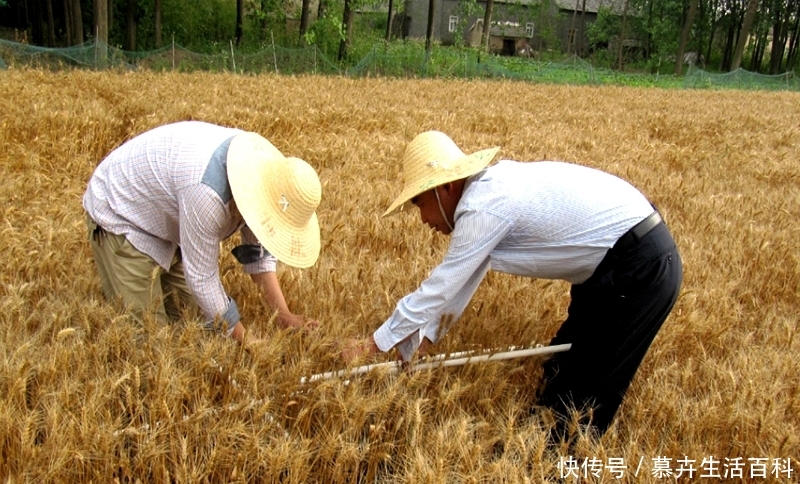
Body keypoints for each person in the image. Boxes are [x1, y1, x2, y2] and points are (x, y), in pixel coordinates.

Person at [343, 130, 683, 440]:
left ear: (444, 188)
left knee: (576, 410)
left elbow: (442, 285)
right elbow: (462, 280)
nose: (422, 219)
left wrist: (373, 346)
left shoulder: (484, 204)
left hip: (638, 268)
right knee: (558, 370)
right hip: (613, 265)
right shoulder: (487, 193)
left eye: (419, 203)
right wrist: (422, 341)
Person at [83, 121, 321, 343]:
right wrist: (248, 342)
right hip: (121, 210)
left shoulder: (266, 179)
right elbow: (202, 279)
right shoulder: (207, 194)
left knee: (195, 327)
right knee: (148, 340)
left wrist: (283, 315)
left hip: (167, 211)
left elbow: (257, 253)